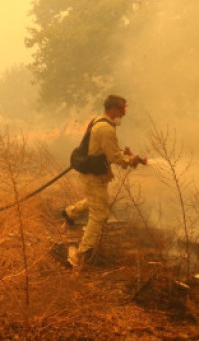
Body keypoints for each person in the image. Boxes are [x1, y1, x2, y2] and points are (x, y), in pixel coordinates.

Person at [61, 94, 145, 268]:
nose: (124, 113)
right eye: (122, 109)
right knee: (99, 213)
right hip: (93, 177)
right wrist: (132, 160)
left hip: (94, 175)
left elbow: (106, 149)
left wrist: (125, 154)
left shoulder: (99, 121)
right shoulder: (106, 128)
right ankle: (84, 252)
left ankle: (69, 212)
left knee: (97, 203)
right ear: (113, 109)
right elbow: (114, 157)